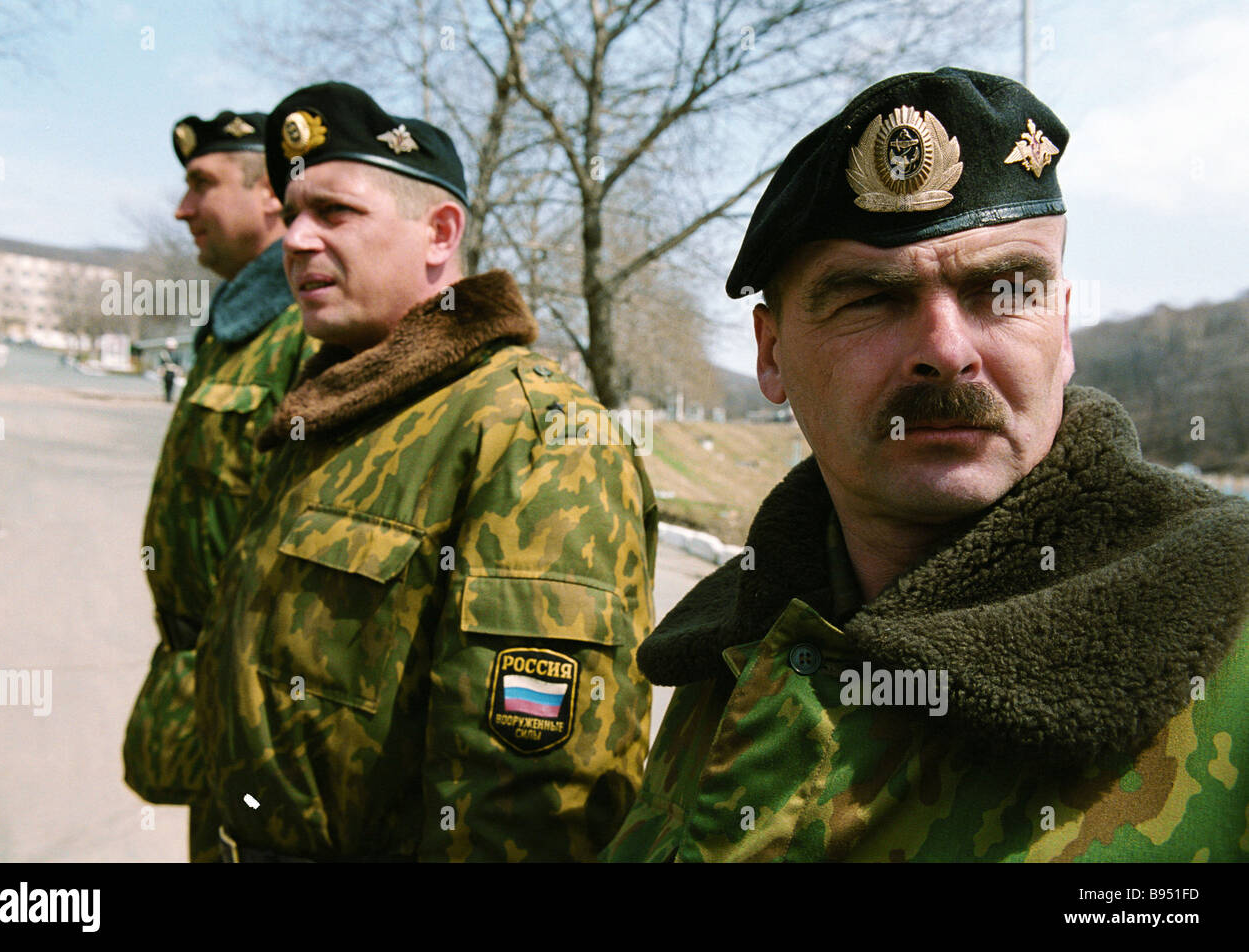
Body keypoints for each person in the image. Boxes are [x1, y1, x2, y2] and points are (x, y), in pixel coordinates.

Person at [603, 67, 1249, 862]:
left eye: (1003, 291)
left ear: (1064, 329)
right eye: (871, 297)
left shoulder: (1232, 625)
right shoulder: (733, 651)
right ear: (771, 356)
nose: (946, 353)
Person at [193, 82, 658, 862]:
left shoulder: (533, 436)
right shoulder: (335, 410)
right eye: (294, 212)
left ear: (440, 233)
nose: (296, 240)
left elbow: (532, 814)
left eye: (335, 213)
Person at [123, 109, 317, 863]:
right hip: (212, 696)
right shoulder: (239, 323)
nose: (182, 209)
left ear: (272, 192)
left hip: (266, 723)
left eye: (201, 185)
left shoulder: (306, 328)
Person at [158, 337, 182, 401]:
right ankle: (167, 397)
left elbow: (178, 363)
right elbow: (162, 363)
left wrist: (178, 370)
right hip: (166, 371)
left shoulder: (176, 354)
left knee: (171, 385)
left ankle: (169, 397)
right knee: (166, 385)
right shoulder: (164, 354)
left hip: (172, 371)